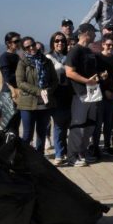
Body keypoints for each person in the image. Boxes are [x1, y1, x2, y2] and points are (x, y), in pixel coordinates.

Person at [64, 23, 101, 167]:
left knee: (90, 124)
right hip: (80, 94)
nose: (95, 35)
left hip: (93, 93)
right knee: (78, 125)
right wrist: (87, 81)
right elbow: (69, 72)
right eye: (93, 32)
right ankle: (72, 156)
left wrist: (98, 77)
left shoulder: (89, 50)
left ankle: (82, 152)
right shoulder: (75, 51)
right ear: (86, 33)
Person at [16, 37, 58, 155]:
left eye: (32, 45)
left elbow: (54, 80)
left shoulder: (46, 61)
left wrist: (48, 91)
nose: (31, 48)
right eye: (27, 47)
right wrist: (39, 91)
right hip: (28, 104)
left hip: (44, 103)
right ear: (24, 49)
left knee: (42, 133)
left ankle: (39, 158)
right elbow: (21, 83)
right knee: (27, 134)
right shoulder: (23, 62)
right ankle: (24, 158)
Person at [45, 32, 72, 165]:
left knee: (68, 124)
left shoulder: (69, 56)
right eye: (57, 41)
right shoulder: (48, 58)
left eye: (62, 41)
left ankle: (66, 150)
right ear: (52, 43)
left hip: (70, 92)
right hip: (57, 93)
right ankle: (59, 154)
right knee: (60, 125)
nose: (60, 43)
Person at [94, 34, 113, 157]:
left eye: (112, 45)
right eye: (107, 44)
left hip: (112, 95)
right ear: (103, 44)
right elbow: (94, 77)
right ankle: (95, 146)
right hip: (99, 94)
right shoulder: (97, 58)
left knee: (109, 123)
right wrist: (105, 90)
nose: (110, 47)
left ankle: (107, 146)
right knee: (98, 123)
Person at [0, 31, 22, 133]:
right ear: (8, 43)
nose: (18, 43)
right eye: (16, 41)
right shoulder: (4, 57)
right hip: (9, 93)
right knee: (9, 125)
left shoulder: (17, 56)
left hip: (17, 93)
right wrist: (22, 75)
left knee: (16, 124)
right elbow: (7, 77)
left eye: (19, 41)